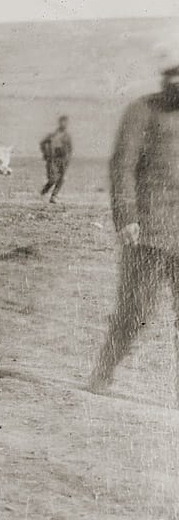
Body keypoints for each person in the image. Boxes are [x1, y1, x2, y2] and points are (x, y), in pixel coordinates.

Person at [89, 40, 179, 400]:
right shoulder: (141, 110)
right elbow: (122, 166)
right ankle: (103, 372)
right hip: (149, 231)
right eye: (172, 75)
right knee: (135, 310)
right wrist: (125, 216)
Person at [39, 115, 72, 203]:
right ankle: (43, 192)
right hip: (52, 159)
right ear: (59, 123)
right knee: (53, 179)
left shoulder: (67, 136)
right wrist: (45, 153)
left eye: (66, 122)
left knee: (62, 179)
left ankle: (53, 196)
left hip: (63, 160)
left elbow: (70, 148)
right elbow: (42, 143)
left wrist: (67, 159)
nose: (64, 124)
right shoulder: (53, 135)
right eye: (62, 122)